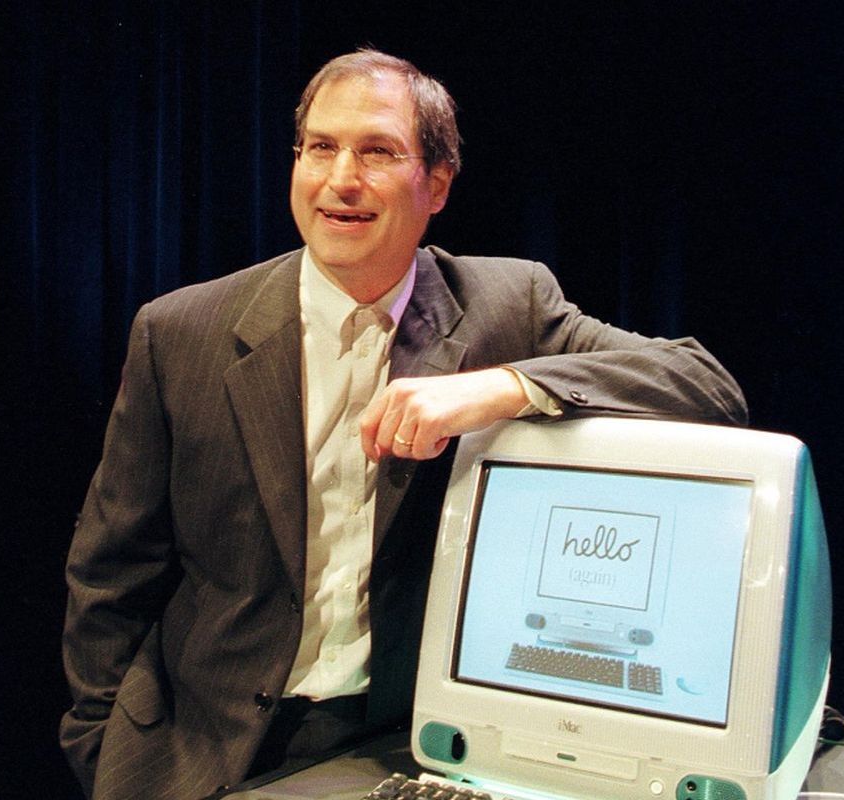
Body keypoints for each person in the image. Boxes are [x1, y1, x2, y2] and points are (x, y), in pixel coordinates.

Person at [60, 49, 747, 800]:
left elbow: (705, 385)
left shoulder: (506, 305)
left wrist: (506, 387)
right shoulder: (181, 331)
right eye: (320, 147)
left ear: (438, 183)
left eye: (378, 151)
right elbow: (110, 575)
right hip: (201, 747)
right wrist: (104, 748)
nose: (341, 179)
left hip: (399, 744)